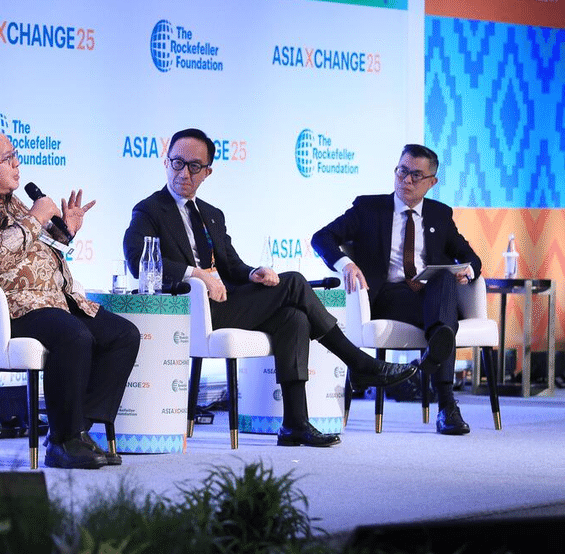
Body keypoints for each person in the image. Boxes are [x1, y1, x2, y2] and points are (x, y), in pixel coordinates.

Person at [123, 128, 417, 447]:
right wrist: (197, 274)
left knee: (294, 317)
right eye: (177, 162)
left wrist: (254, 273)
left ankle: (294, 424)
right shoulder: (149, 210)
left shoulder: (211, 215)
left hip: (226, 302)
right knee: (294, 281)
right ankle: (358, 363)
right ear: (165, 162)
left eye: (194, 166)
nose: (184, 172)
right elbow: (139, 260)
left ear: (207, 172)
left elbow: (233, 266)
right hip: (187, 312)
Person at [0, 124, 139, 469]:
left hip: (50, 299)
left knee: (123, 335)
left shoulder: (6, 200)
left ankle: (75, 432)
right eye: (8, 157)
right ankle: (66, 439)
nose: (17, 164)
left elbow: (31, 249)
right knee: (74, 336)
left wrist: (64, 230)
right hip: (6, 309)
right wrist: (34, 218)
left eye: (15, 155)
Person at [312, 144, 481, 435]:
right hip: (389, 298)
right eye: (402, 171)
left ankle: (438, 347)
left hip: (431, 298)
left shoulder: (440, 215)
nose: (406, 180)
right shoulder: (369, 209)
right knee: (443, 322)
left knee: (443, 280)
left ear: (431, 182)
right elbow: (321, 237)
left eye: (416, 175)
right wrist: (345, 264)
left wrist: (469, 271)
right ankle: (447, 405)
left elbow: (471, 257)